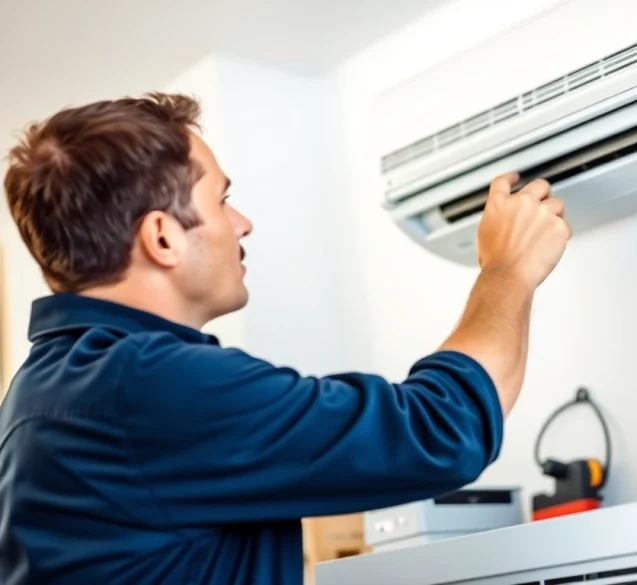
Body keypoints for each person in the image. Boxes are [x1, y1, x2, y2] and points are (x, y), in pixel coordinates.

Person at [0, 93, 572, 584]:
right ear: (163, 238)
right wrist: (508, 269)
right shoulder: (147, 384)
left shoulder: (51, 386)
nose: (242, 222)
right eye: (222, 200)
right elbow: (441, 430)